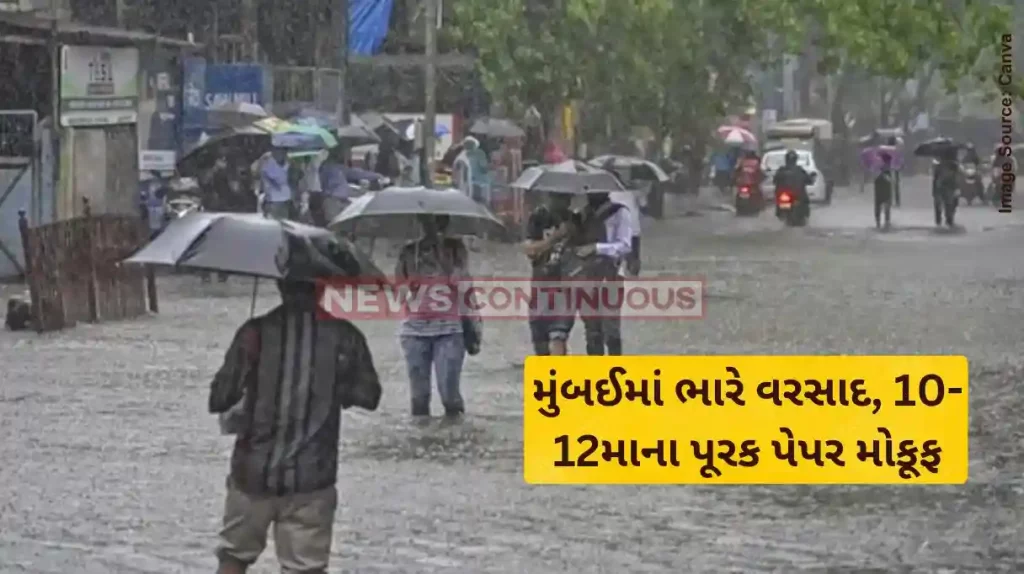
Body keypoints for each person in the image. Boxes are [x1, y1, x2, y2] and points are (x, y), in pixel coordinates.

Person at [208, 279, 381, 574]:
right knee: (305, 568)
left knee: (234, 556)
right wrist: (335, 383)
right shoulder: (345, 336)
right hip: (312, 478)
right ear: (322, 289)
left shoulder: (254, 333)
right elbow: (369, 397)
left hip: (252, 473)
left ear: (281, 286)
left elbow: (219, 399)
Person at [395, 215, 481, 418]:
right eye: (426, 223)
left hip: (449, 330)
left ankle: (455, 437)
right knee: (419, 398)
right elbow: (399, 291)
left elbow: (464, 285)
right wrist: (406, 286)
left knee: (449, 395)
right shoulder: (409, 252)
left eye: (434, 224)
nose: (429, 229)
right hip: (414, 331)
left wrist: (445, 262)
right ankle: (422, 441)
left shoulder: (455, 249)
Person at [565, 192, 633, 356]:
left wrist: (597, 248)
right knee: (592, 329)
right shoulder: (581, 214)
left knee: (611, 328)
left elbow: (625, 245)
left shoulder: (619, 212)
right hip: (586, 276)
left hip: (612, 275)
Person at [522, 192, 576, 355]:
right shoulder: (538, 217)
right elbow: (530, 250)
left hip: (565, 287)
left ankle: (557, 378)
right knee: (540, 342)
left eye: (566, 198)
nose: (563, 201)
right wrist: (554, 238)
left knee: (559, 335)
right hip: (541, 284)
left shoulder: (575, 220)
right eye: (558, 197)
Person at [772, 150, 813, 219]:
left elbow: (775, 181)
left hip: (794, 197)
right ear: (795, 159)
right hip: (793, 197)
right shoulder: (799, 170)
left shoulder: (782, 170)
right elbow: (808, 180)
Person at [260, 147, 294, 220]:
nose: (282, 154)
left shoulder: (287, 161)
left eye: (283, 152)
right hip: (274, 197)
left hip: (285, 196)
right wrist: (273, 183)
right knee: (275, 219)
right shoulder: (268, 162)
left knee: (284, 219)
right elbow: (264, 175)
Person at [933, 148, 959, 227]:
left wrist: (934, 190)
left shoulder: (938, 165)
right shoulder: (954, 165)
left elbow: (935, 178)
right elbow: (956, 177)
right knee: (949, 203)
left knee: (939, 203)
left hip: (941, 186)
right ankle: (949, 220)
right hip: (949, 186)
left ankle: (939, 220)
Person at [873, 152, 895, 229]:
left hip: (884, 188)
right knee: (880, 205)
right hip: (881, 188)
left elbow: (890, 180)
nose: (889, 163)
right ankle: (880, 221)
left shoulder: (888, 169)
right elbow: (877, 177)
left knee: (885, 205)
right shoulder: (880, 167)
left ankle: (885, 221)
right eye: (888, 161)